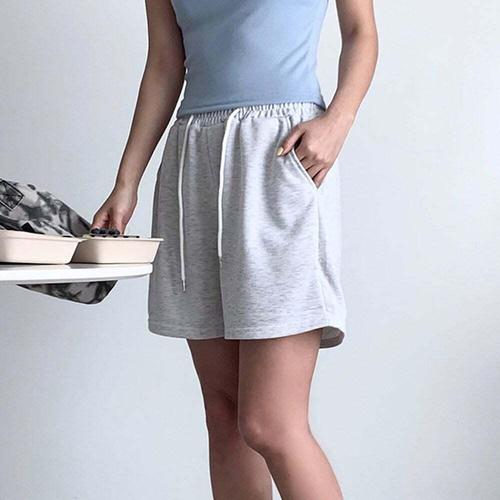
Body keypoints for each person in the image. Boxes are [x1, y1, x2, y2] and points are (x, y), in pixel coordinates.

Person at [91, 0, 378, 497]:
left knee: (271, 424)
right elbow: (164, 63)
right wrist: (126, 181)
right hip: (193, 158)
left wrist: (338, 120)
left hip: (281, 152)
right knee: (224, 416)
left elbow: (361, 31)